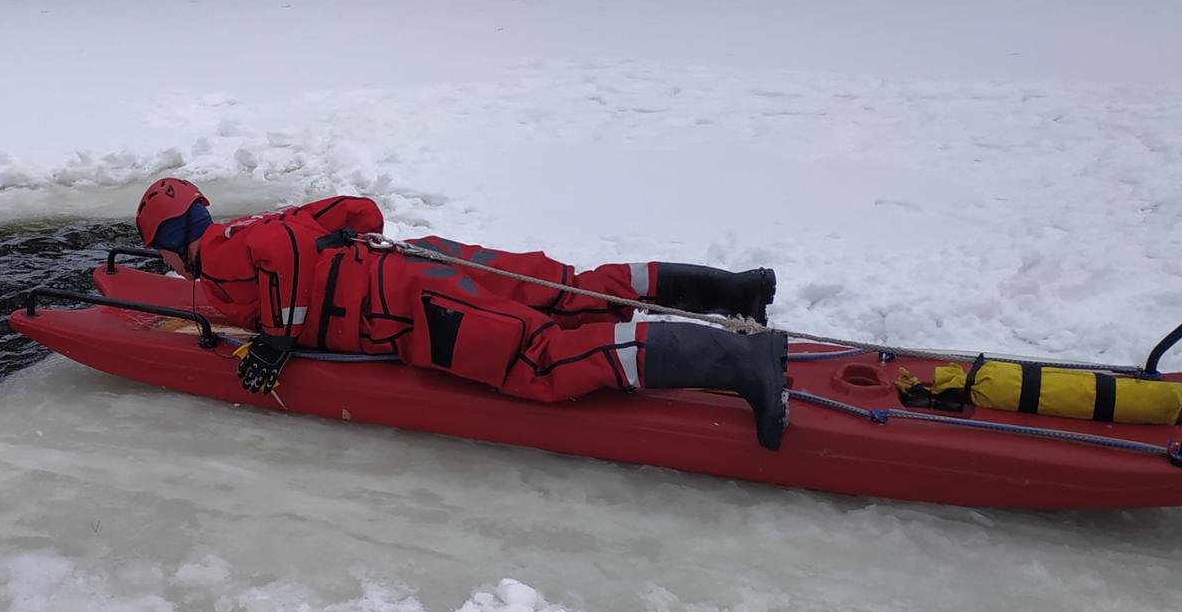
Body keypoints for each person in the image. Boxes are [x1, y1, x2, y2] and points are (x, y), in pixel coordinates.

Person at [134, 177, 791, 450]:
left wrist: (278, 334)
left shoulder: (217, 256)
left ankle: (741, 359)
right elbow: (361, 214)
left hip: (419, 312)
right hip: (432, 262)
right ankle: (735, 292)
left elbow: (281, 258)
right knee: (573, 290)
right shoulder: (254, 223)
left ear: (169, 245)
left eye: (160, 255)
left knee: (541, 358)